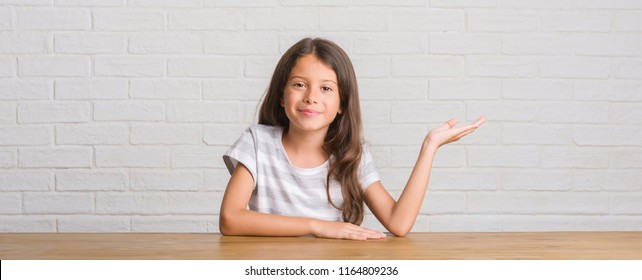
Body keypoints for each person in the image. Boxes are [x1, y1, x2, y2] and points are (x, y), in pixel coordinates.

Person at [220, 37, 485, 240]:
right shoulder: (258, 143)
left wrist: (430, 147)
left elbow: (398, 223)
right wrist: (318, 226)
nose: (311, 96)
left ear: (341, 104)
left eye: (326, 88)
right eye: (299, 84)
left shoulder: (352, 156)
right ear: (281, 95)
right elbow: (230, 220)